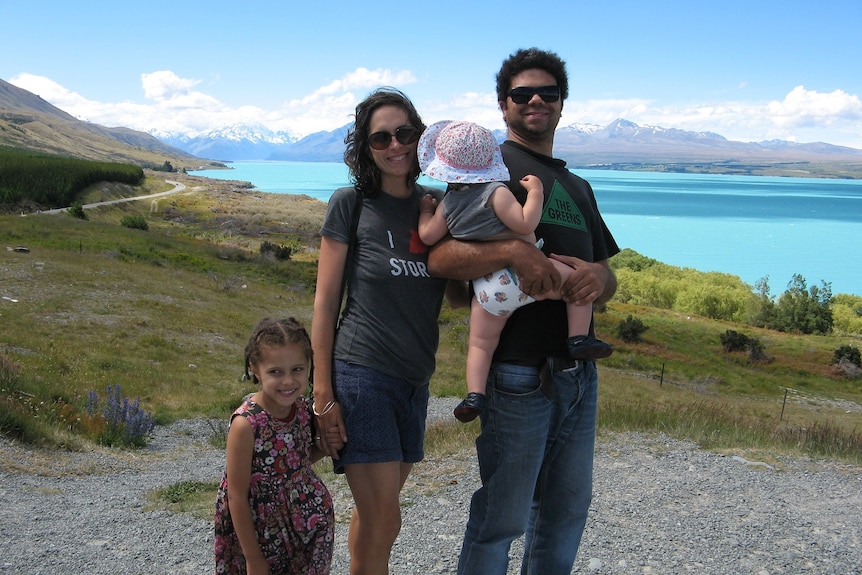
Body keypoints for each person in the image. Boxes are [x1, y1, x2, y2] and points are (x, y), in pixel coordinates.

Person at [427, 48, 621, 574]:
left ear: (562, 103)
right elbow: (442, 255)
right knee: (503, 519)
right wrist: (515, 250)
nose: (535, 100)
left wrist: (600, 278)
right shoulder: (487, 168)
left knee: (565, 513)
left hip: (579, 372)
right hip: (516, 373)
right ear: (502, 104)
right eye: (521, 93)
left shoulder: (578, 185)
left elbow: (606, 275)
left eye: (548, 92)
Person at [310, 87, 458, 575]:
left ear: (420, 137)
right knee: (385, 519)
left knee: (377, 515)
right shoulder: (350, 204)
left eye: (404, 133)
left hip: (415, 382)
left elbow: (457, 292)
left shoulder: (436, 209)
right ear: (365, 148)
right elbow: (326, 302)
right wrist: (322, 393)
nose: (395, 145)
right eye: (380, 138)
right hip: (362, 375)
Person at [417, 120, 612, 423]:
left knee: (481, 344)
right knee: (578, 283)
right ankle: (577, 340)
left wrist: (427, 211)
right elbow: (524, 223)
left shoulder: (450, 202)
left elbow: (428, 237)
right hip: (524, 276)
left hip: (489, 290)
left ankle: (475, 394)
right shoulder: (496, 192)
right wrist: (535, 193)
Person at [214, 316, 340, 575]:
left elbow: (293, 463)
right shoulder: (246, 424)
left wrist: (323, 448)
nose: (288, 381)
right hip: (262, 533)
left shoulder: (304, 410)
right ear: (254, 369)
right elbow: (236, 496)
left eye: (297, 369)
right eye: (276, 372)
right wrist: (253, 558)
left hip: (309, 525)